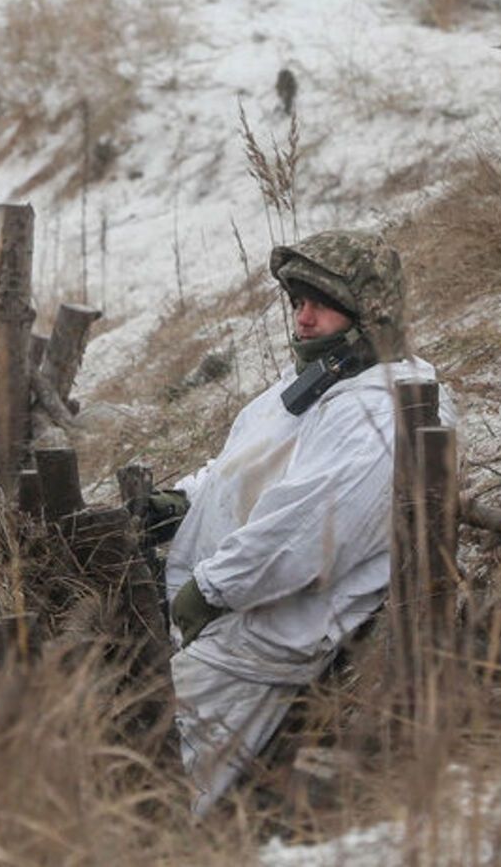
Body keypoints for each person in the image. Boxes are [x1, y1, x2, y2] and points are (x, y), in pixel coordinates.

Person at [159, 229, 456, 816]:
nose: (303, 317)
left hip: (262, 636)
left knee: (163, 776)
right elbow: (243, 467)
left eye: (320, 303)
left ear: (369, 315)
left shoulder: (387, 411)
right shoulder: (311, 389)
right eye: (297, 301)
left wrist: (209, 594)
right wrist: (182, 500)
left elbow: (305, 536)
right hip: (214, 612)